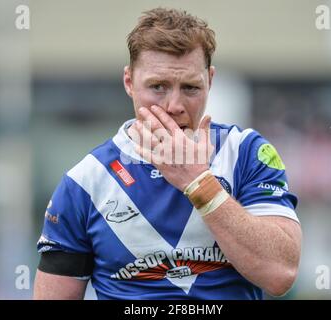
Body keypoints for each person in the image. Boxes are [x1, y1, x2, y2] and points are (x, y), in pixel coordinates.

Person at [33, 7, 301, 300]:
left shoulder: (246, 154)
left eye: (190, 87)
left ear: (210, 81)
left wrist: (199, 182)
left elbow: (280, 274)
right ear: (128, 82)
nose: (174, 105)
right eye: (158, 87)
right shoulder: (86, 181)